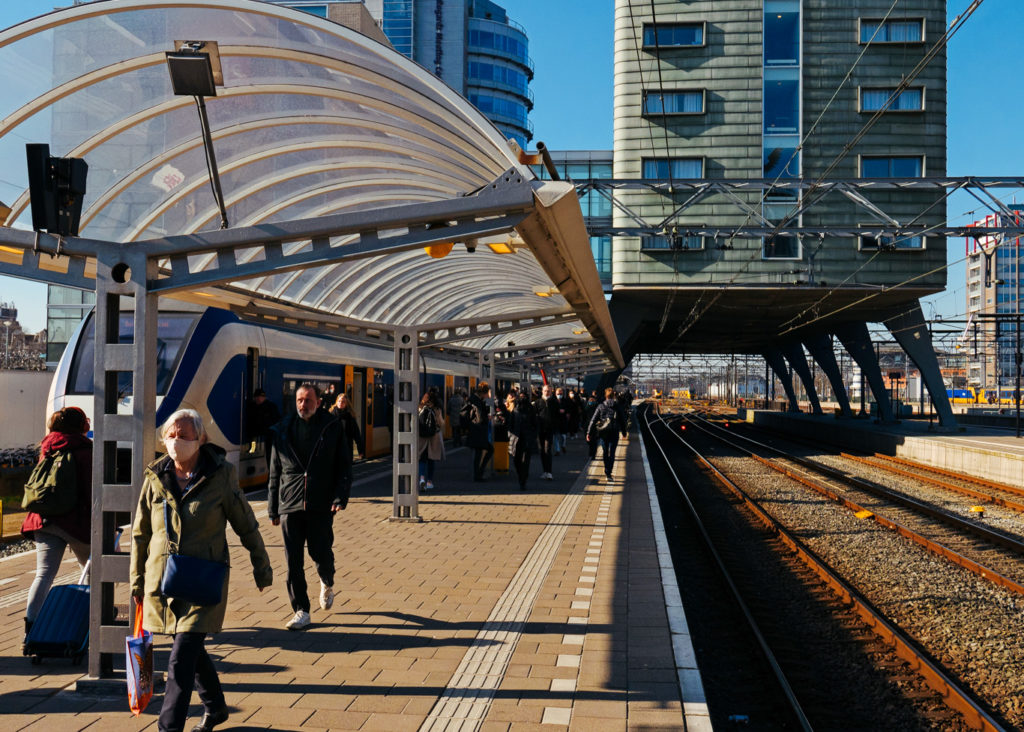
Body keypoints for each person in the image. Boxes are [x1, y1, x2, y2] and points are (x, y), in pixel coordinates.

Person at [130, 409, 272, 732]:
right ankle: (216, 707)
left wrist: (261, 567)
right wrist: (136, 583)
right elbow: (140, 535)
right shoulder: (155, 477)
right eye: (170, 434)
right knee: (192, 650)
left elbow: (246, 525)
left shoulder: (220, 476)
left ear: (200, 439)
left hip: (203, 582)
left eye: (183, 435)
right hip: (163, 581)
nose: (176, 441)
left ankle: (168, 728)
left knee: (180, 658)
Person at [268, 384, 351, 631]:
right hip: (289, 503)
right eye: (299, 400)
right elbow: (274, 472)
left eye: (308, 400)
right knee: (293, 560)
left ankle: (327, 580)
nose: (303, 405)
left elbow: (343, 466)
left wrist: (339, 497)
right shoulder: (283, 429)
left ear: (318, 401)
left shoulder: (331, 427)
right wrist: (273, 508)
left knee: (320, 552)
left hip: (320, 502)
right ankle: (301, 610)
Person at [21, 407, 92, 640]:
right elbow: (91, 492)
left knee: (43, 574)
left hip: (45, 520)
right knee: (93, 571)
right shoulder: (85, 450)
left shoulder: (48, 447)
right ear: (82, 426)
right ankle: (94, 620)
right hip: (76, 523)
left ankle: (31, 627)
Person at [587, 388, 628, 483]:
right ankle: (609, 473)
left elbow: (593, 420)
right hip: (614, 431)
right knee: (612, 452)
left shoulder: (600, 406)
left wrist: (589, 432)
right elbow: (622, 420)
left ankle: (606, 471)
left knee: (605, 452)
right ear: (613, 396)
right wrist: (624, 432)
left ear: (605, 396)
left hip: (603, 432)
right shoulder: (617, 406)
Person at [330, 392, 363, 491]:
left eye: (343, 402)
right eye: (339, 401)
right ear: (336, 402)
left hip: (346, 448)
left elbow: (356, 434)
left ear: (346, 403)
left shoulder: (350, 417)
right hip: (333, 448)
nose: (341, 403)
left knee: (346, 472)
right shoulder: (330, 416)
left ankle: (344, 489)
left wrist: (360, 450)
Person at [508, 391, 539, 490]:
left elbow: (535, 424)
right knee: (516, 460)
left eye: (524, 396)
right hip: (516, 439)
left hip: (527, 439)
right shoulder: (515, 410)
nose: (522, 398)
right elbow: (510, 424)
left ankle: (523, 480)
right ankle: (520, 475)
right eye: (520, 396)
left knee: (525, 461)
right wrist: (510, 435)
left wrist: (533, 436)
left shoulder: (531, 410)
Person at [465, 382, 493, 482]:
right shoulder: (476, 401)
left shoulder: (473, 399)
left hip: (475, 430)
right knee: (484, 452)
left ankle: (478, 474)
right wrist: (487, 418)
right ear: (484, 392)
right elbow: (480, 417)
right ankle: (478, 475)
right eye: (488, 393)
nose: (488, 395)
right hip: (478, 431)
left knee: (478, 454)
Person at [417, 389, 444, 491]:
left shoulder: (419, 408)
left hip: (422, 437)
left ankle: (422, 479)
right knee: (431, 460)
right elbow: (441, 423)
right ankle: (429, 482)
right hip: (433, 437)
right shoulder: (437, 410)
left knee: (422, 459)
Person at [247, 388, 281, 470]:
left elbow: (277, 420)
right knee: (253, 447)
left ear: (264, 397)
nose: (259, 399)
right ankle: (252, 449)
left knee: (270, 456)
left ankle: (271, 473)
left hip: (269, 436)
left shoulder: (271, 407)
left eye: (261, 397)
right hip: (255, 436)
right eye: (257, 397)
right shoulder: (252, 407)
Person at [534, 384, 558, 480]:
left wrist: (555, 426)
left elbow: (557, 416)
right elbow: (534, 415)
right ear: (542, 391)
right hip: (540, 430)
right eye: (545, 390)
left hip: (550, 430)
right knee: (542, 451)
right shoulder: (538, 402)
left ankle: (549, 472)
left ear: (551, 392)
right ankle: (545, 471)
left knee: (547, 449)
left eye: (548, 391)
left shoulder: (554, 402)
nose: (546, 392)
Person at [582, 391, 600, 461]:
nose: (591, 401)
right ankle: (592, 453)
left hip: (592, 426)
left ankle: (592, 454)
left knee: (592, 441)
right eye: (590, 400)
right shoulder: (586, 408)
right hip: (589, 426)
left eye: (593, 400)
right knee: (592, 441)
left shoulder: (597, 407)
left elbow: (583, 417)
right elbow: (583, 417)